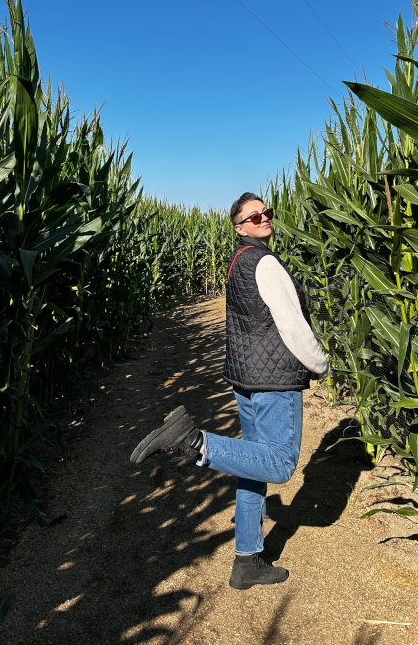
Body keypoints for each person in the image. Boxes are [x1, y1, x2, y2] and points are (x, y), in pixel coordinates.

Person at [130, 192, 329, 590]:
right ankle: (196, 442)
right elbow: (291, 325)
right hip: (273, 381)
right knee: (281, 464)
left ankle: (246, 561)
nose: (263, 219)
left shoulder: (239, 260)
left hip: (246, 380)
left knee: (252, 467)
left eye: (266, 213)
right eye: (253, 217)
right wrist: (320, 364)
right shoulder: (267, 262)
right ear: (239, 227)